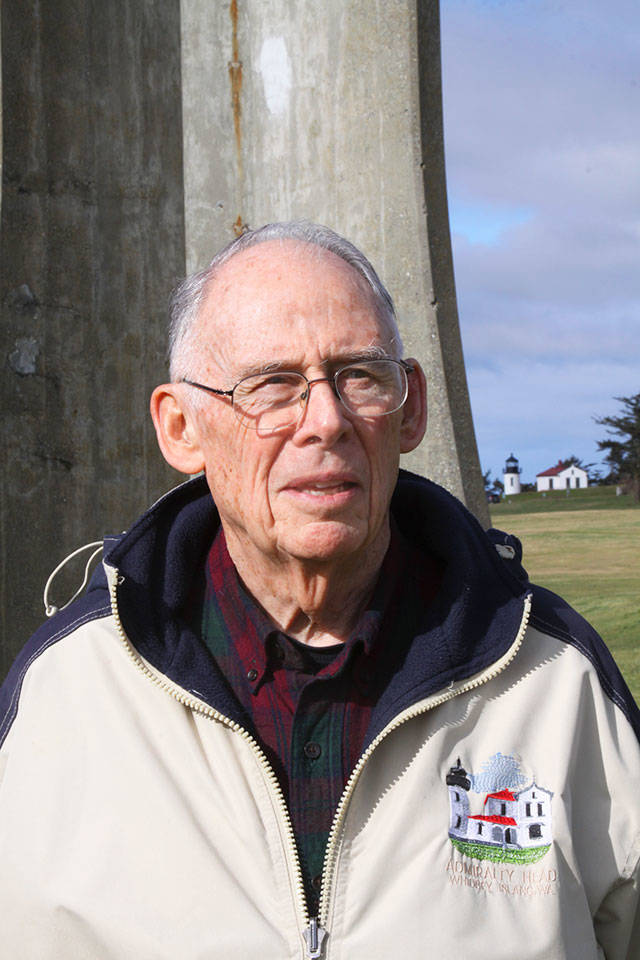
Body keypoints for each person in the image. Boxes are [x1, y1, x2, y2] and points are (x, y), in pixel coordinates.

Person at [0, 221, 638, 959]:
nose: (326, 421)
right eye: (273, 385)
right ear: (182, 428)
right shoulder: (66, 694)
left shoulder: (554, 683)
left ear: (411, 407)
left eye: (360, 375)